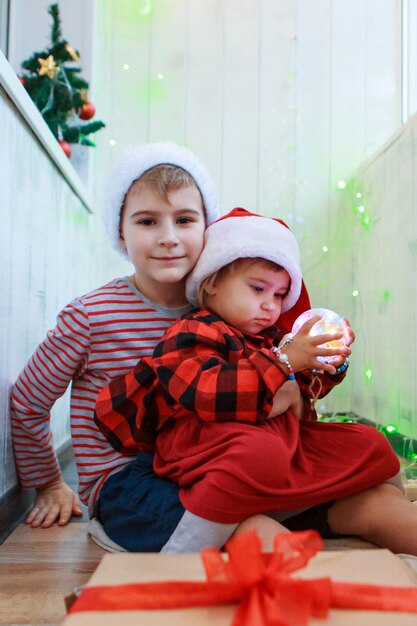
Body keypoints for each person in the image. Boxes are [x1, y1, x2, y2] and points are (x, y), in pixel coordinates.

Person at [96, 207, 416, 555]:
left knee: (371, 443)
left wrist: (326, 361)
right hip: (202, 445)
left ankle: (384, 525)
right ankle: (185, 549)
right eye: (258, 288)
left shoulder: (270, 338)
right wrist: (282, 362)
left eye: (279, 295)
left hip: (272, 444)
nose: (269, 305)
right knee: (261, 451)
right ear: (214, 282)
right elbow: (206, 393)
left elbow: (303, 388)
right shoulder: (193, 332)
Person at [11, 142, 254, 552]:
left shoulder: (219, 309)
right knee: (245, 530)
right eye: (147, 221)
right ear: (120, 232)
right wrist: (49, 482)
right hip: (125, 485)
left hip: (200, 467)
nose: (169, 238)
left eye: (185, 219)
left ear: (206, 228)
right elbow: (28, 400)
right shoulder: (91, 316)